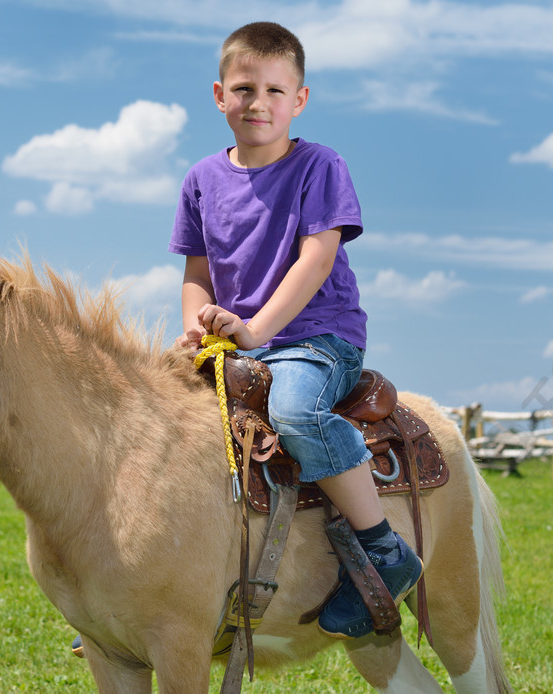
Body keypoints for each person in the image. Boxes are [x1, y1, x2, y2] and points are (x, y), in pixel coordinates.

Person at [168, 21, 423, 640]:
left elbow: (316, 259)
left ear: (300, 99)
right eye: (244, 88)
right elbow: (197, 272)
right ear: (218, 95)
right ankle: (142, 586)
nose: (259, 103)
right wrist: (195, 330)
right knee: (150, 409)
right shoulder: (201, 179)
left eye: (276, 91)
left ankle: (385, 550)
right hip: (239, 338)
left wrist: (255, 329)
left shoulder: (320, 166)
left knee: (294, 412)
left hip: (316, 336)